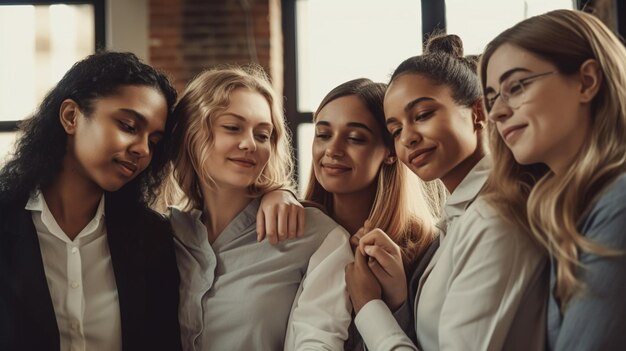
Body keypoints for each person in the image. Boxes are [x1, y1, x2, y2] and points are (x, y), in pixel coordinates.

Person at [345, 34, 547, 351]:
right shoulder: (460, 216)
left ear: (478, 112)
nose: (408, 138)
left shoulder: (496, 220)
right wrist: (399, 296)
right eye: (395, 130)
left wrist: (369, 308)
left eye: (423, 115)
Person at [0, 52, 182, 351]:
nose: (142, 150)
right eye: (128, 126)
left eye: (154, 141)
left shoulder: (153, 238)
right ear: (71, 116)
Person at [166, 65, 353, 350]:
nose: (249, 144)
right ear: (191, 134)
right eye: (232, 127)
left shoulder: (316, 237)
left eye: (263, 135)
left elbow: (318, 341)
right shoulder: (164, 235)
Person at [480, 9, 626, 350]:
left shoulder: (619, 203)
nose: (497, 112)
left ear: (587, 82)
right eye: (491, 99)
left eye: (515, 87)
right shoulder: (557, 209)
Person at [304, 78, 441, 349]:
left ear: (391, 152)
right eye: (323, 134)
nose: (332, 149)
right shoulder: (291, 229)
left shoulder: (427, 249)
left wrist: (396, 304)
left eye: (355, 138)